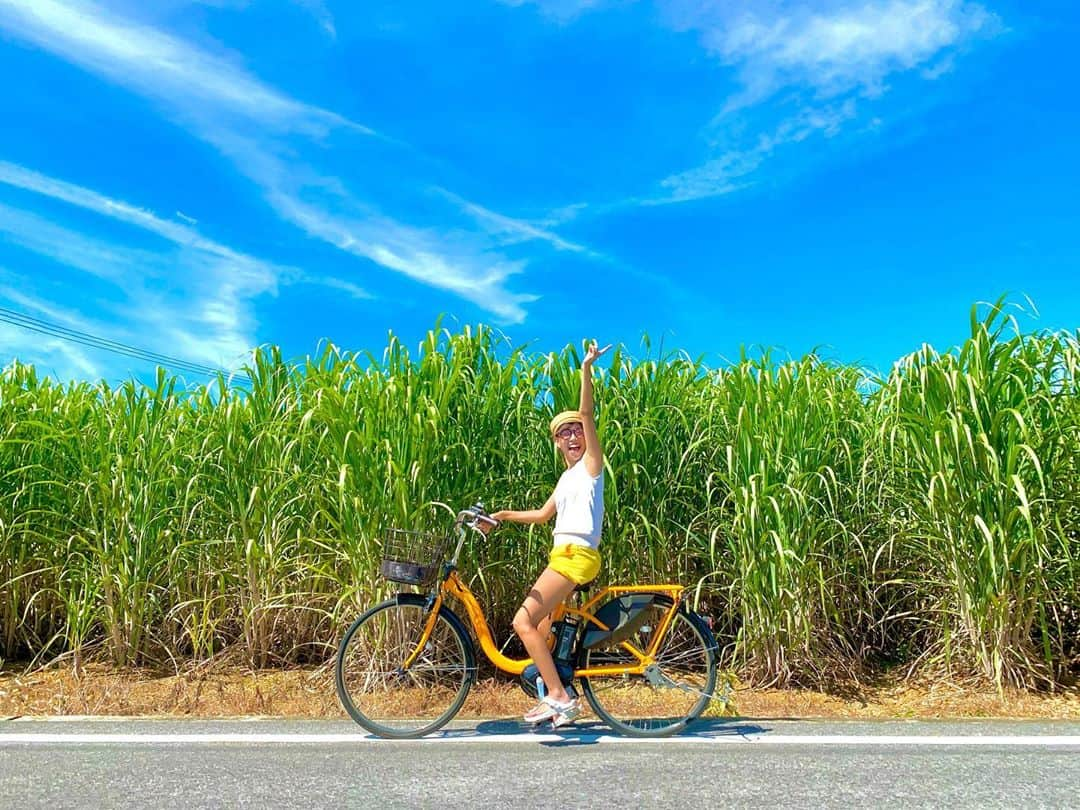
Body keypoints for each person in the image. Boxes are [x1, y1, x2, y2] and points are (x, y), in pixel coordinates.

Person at [487, 340, 610, 727]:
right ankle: (553, 690)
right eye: (564, 433)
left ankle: (560, 697)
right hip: (564, 556)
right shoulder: (566, 477)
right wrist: (503, 515)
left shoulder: (592, 465)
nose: (573, 436)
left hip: (576, 556)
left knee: (522, 623)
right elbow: (543, 516)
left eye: (577, 431)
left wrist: (586, 369)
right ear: (556, 442)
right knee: (541, 630)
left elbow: (588, 411)